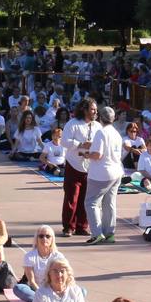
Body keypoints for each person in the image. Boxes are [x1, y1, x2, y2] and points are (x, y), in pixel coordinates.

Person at [84, 105, 125, 245]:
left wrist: (86, 154)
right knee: (109, 203)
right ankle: (109, 234)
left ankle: (97, 234)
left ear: (101, 118)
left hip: (101, 173)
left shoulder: (101, 133)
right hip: (116, 172)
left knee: (91, 202)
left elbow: (97, 155)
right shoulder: (116, 133)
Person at [61, 99, 96, 236]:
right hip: (74, 165)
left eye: (96, 110)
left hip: (90, 166)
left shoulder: (97, 126)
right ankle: (69, 227)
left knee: (86, 198)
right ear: (84, 110)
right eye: (92, 109)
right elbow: (65, 141)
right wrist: (81, 144)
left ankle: (82, 226)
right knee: (71, 197)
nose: (95, 112)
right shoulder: (73, 124)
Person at [13, 225, 64, 302]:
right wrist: (41, 293)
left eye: (48, 236)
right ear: (36, 239)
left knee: (81, 291)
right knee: (18, 288)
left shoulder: (58, 256)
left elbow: (63, 278)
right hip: (36, 290)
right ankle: (46, 301)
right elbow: (31, 281)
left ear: (52, 239)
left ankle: (44, 301)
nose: (44, 239)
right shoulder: (29, 256)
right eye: (41, 236)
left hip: (54, 289)